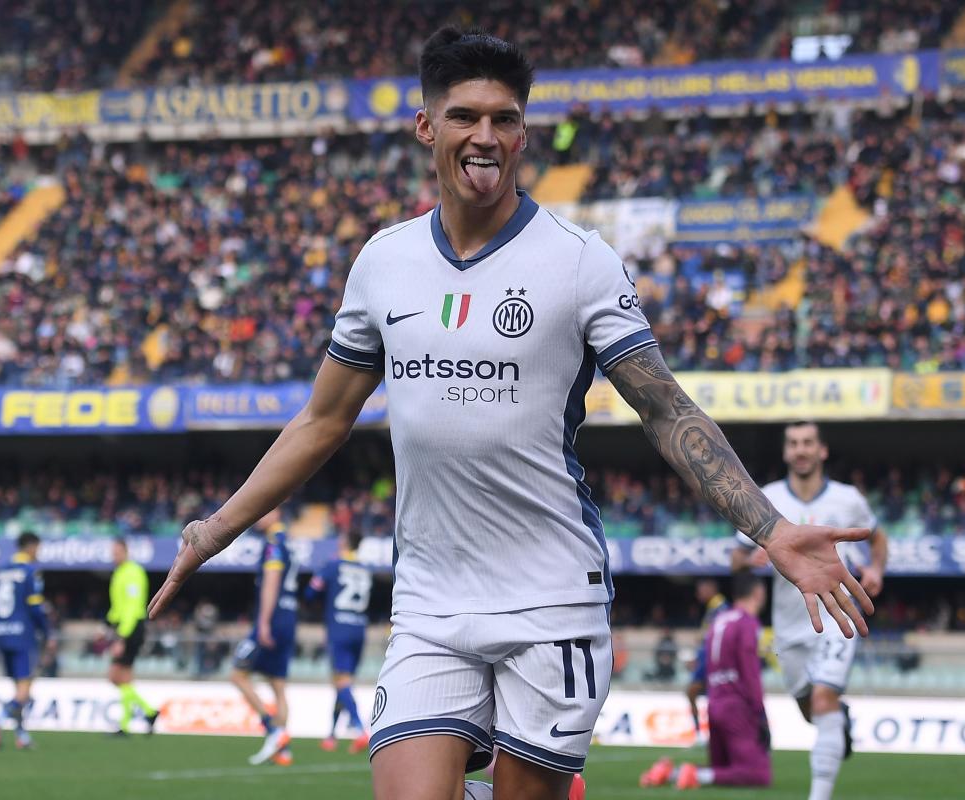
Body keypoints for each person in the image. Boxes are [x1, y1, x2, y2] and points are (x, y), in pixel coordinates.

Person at [148, 27, 873, 800]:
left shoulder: (579, 260)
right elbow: (322, 421)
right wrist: (215, 529)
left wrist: (771, 528)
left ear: (524, 134)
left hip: (552, 596)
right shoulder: (384, 263)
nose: (485, 136)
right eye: (464, 116)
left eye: (504, 119)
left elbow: (664, 409)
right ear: (426, 126)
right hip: (430, 599)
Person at [733, 421, 888, 800]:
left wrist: (876, 570)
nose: (800, 450)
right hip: (789, 626)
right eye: (793, 443)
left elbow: (877, 537)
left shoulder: (847, 499)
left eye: (807, 443)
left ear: (822, 451)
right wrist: (750, 560)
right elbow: (736, 557)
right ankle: (839, 719)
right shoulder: (766, 498)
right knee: (810, 711)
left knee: (822, 699)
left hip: (837, 614)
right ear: (785, 452)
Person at [642, 571, 770, 789]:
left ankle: (671, 773)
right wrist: (760, 713)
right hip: (737, 706)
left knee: (722, 768)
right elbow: (750, 672)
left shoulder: (719, 620)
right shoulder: (747, 623)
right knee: (758, 775)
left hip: (714, 704)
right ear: (758, 593)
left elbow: (707, 662)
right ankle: (695, 776)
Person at [230, 509, 298, 766]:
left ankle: (272, 730)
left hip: (274, 618)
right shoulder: (288, 542)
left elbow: (271, 581)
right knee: (278, 685)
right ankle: (283, 751)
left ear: (276, 513)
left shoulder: (273, 544)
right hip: (289, 617)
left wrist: (263, 622)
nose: (258, 516)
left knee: (237, 674)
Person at [0, 532, 52, 750]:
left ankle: (21, 735)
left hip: (1, 634)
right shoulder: (30, 571)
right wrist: (48, 632)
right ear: (31, 547)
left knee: (19, 687)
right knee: (25, 687)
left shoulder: (1, 571)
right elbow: (35, 607)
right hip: (23, 634)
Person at [305, 530, 372, 753]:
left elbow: (310, 593)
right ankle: (332, 735)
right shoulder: (364, 569)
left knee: (341, 681)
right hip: (359, 628)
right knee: (342, 683)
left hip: (339, 628)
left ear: (344, 542)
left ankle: (360, 729)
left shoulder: (333, 565)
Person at [106, 538, 158, 736]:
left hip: (132, 627)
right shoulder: (120, 572)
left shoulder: (133, 572)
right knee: (123, 678)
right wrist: (107, 624)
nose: (114, 556)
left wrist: (122, 637)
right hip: (124, 627)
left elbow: (132, 607)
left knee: (116, 676)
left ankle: (142, 715)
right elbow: (118, 606)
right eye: (113, 552)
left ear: (126, 552)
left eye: (117, 552)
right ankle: (145, 714)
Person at [685, 578, 729, 742]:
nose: (698, 594)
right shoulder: (713, 607)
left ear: (711, 589)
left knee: (697, 693)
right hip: (705, 659)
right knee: (694, 693)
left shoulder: (720, 608)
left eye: (701, 590)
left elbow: (716, 637)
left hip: (711, 661)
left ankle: (706, 734)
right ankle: (703, 734)